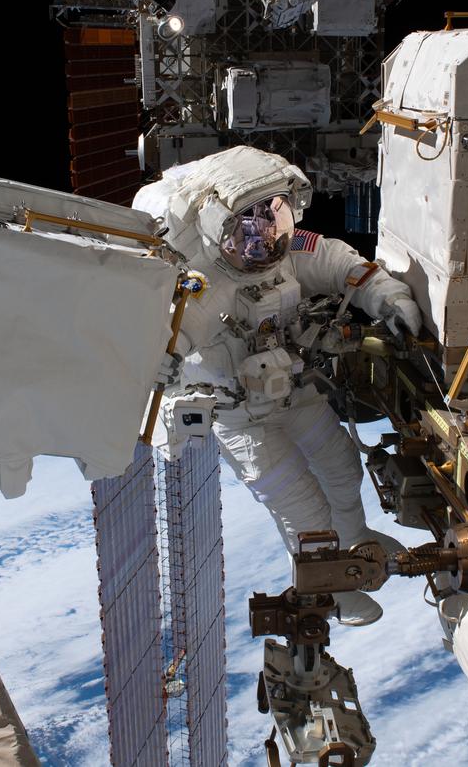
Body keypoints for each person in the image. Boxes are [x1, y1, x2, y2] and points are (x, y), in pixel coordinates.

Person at [135, 147, 423, 625]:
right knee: (304, 512)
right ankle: (335, 594)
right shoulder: (201, 288)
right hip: (241, 418)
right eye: (246, 229)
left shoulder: (284, 255)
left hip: (294, 390)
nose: (264, 239)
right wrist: (153, 362)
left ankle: (356, 541)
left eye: (273, 218)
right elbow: (168, 338)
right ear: (215, 229)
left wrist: (385, 294)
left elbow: (337, 262)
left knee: (342, 468)